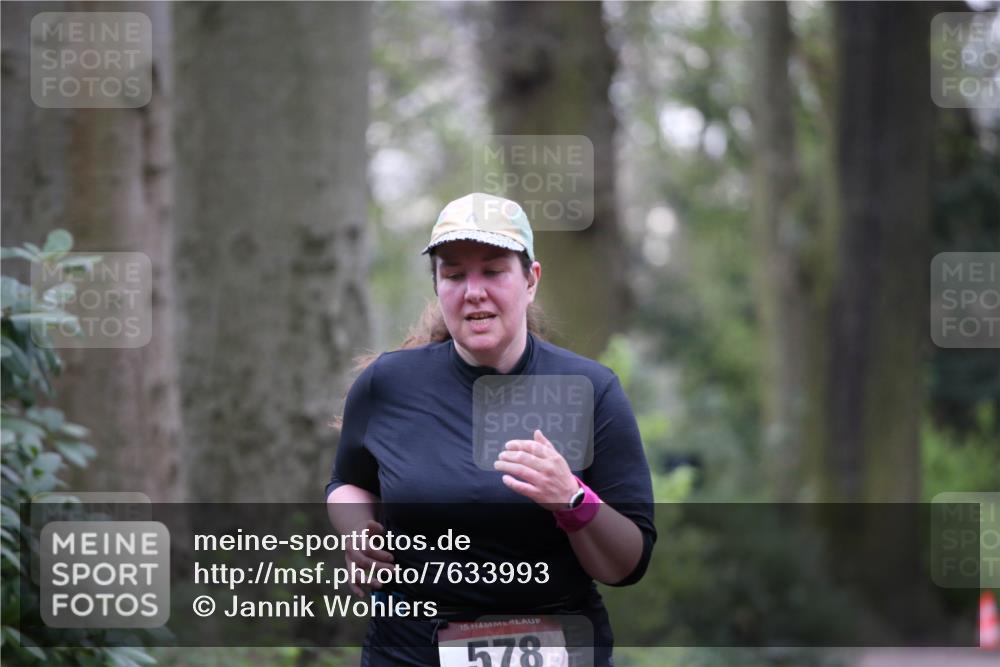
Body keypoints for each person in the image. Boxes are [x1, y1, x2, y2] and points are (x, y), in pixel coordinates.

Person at [325, 193, 656, 667]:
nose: (472, 290)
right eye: (454, 274)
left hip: (557, 642)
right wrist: (358, 532)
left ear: (530, 281)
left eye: (493, 271)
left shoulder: (589, 390)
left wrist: (572, 500)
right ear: (438, 287)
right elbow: (347, 482)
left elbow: (628, 563)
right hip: (409, 649)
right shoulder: (388, 383)